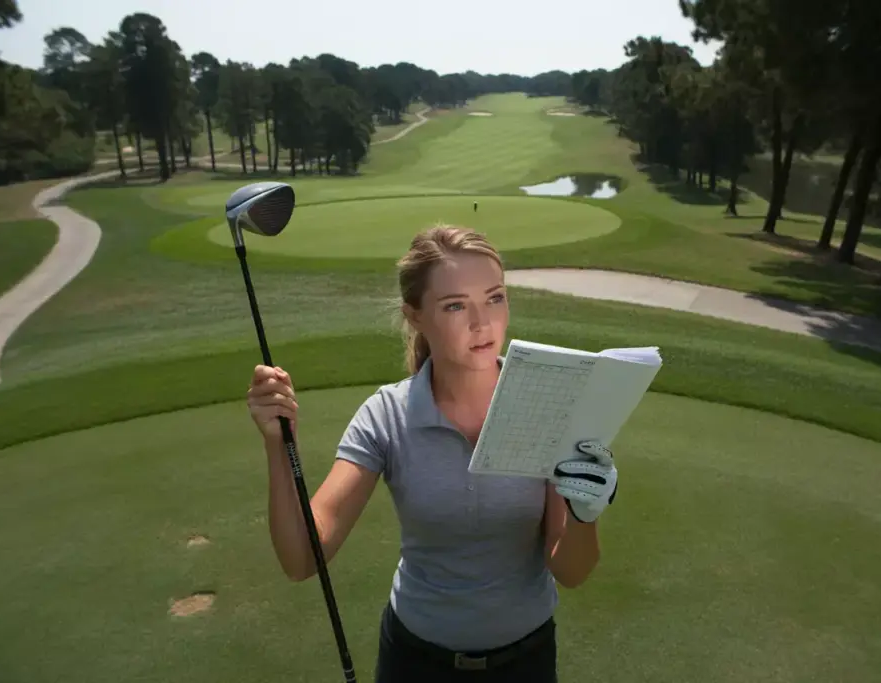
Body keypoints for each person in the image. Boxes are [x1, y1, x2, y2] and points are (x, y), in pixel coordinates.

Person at [246, 224, 620, 682]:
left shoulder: (550, 407)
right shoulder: (386, 415)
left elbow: (572, 571)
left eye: (495, 297)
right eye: (455, 306)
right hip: (415, 663)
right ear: (416, 316)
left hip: (526, 662)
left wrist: (585, 514)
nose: (482, 323)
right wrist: (277, 445)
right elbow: (303, 558)